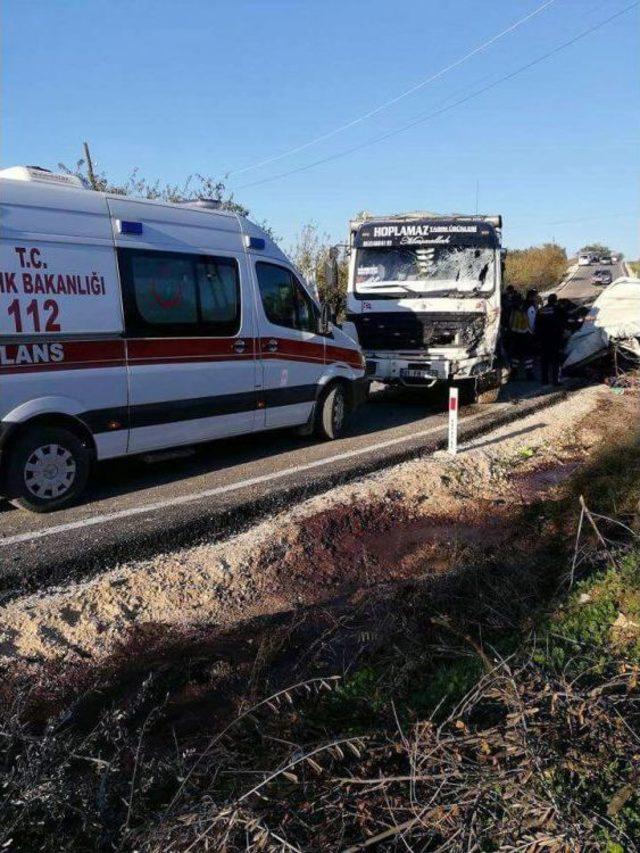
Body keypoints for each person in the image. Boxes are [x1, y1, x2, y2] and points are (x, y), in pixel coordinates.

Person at [535, 293, 567, 385]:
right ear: (555, 301)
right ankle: (555, 381)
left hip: (543, 340)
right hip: (555, 339)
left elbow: (536, 325)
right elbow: (563, 323)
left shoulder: (541, 311)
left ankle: (544, 380)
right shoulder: (558, 310)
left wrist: (538, 339)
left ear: (548, 301)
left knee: (544, 360)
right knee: (555, 361)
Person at [508, 293, 536, 380]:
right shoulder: (528, 307)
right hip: (526, 334)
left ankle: (513, 371)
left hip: (515, 334)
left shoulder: (513, 309)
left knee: (516, 354)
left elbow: (510, 321)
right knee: (528, 354)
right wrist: (533, 332)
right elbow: (532, 320)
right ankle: (529, 373)